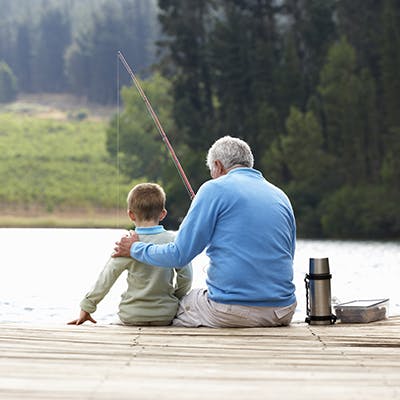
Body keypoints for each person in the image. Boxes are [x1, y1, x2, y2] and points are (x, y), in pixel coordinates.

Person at [113, 136, 296, 328]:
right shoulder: (280, 195)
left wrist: (134, 248)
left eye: (211, 172)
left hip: (232, 311)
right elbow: (287, 256)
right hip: (282, 311)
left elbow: (178, 255)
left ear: (218, 166)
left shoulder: (213, 189)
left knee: (177, 306)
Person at [68, 183, 193, 326]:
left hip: (132, 315)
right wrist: (175, 297)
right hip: (165, 315)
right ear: (163, 214)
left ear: (131, 215)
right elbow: (186, 276)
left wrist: (87, 307)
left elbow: (107, 277)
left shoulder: (126, 244)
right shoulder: (173, 241)